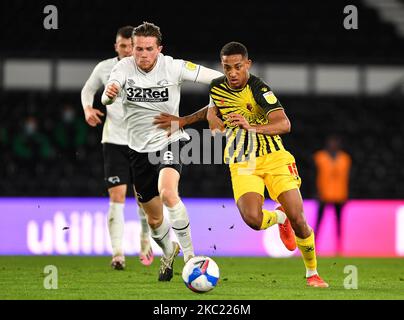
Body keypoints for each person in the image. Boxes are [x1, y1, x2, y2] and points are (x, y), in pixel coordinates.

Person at [164, 42, 328, 287]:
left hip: (274, 159)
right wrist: (184, 121)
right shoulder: (217, 87)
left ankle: (312, 272)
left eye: (237, 67)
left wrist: (251, 127)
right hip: (242, 162)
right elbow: (213, 109)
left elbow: (284, 124)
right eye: (227, 67)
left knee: (299, 217)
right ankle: (278, 218)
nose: (232, 73)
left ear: (247, 65)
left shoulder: (259, 89)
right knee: (253, 219)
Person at [101, 22, 223, 281]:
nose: (142, 54)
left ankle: (190, 258)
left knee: (169, 193)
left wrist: (212, 109)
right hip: (136, 149)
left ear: (159, 49)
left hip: (169, 140)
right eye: (138, 49)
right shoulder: (122, 67)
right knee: (154, 221)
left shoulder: (173, 66)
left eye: (148, 49)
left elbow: (218, 79)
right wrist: (109, 96)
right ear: (131, 48)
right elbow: (107, 97)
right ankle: (169, 251)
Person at [81, 26, 153, 270]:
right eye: (121, 46)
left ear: (135, 46)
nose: (125, 50)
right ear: (116, 47)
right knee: (117, 195)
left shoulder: (146, 68)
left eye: (129, 46)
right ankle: (118, 254)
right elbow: (87, 90)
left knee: (143, 199)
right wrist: (88, 108)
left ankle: (145, 243)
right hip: (113, 141)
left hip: (141, 141)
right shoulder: (104, 68)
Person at [313, 135, 351, 253]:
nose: (333, 145)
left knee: (339, 223)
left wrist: (347, 194)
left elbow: (348, 178)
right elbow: (313, 176)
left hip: (339, 195)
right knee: (319, 222)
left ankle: (339, 248)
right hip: (323, 195)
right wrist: (316, 192)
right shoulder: (319, 157)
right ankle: (313, 246)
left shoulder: (345, 158)